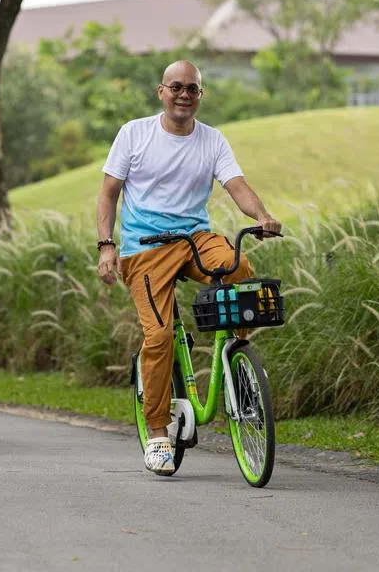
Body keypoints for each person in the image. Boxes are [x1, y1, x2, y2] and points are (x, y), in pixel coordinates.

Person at [95, 60, 281, 476]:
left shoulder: (212, 140)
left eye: (192, 89)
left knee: (238, 266)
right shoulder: (135, 133)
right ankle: (159, 432)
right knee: (158, 336)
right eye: (176, 87)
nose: (184, 94)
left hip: (195, 239)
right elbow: (108, 194)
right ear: (161, 91)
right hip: (145, 247)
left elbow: (237, 187)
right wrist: (107, 247)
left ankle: (237, 355)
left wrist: (262, 215)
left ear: (201, 95)